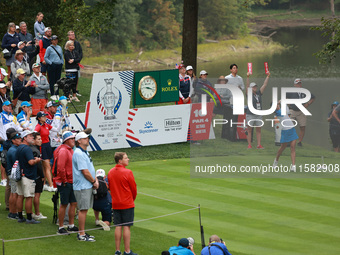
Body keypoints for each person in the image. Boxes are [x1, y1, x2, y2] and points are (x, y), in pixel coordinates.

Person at [107, 152, 137, 255]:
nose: (128, 159)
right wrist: (131, 199)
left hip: (116, 203)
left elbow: (109, 187)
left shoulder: (110, 172)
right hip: (127, 203)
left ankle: (117, 250)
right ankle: (127, 251)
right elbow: (134, 189)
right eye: (126, 158)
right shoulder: (128, 172)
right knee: (127, 226)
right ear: (120, 160)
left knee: (118, 226)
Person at [72, 131, 98, 242]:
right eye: (85, 138)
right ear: (79, 141)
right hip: (83, 186)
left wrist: (94, 179)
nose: (87, 139)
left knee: (85, 209)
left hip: (86, 184)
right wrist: (93, 181)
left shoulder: (84, 152)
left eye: (87, 138)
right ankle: (81, 234)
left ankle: (82, 232)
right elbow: (85, 172)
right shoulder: (78, 153)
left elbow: (89, 169)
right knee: (82, 210)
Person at [54, 131, 79, 235]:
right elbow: (61, 168)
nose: (74, 140)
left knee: (73, 203)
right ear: (66, 140)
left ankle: (71, 225)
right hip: (66, 182)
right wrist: (64, 180)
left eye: (74, 138)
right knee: (64, 204)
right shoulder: (64, 151)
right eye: (72, 138)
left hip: (71, 181)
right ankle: (61, 227)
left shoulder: (69, 150)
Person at [16, 130, 42, 224]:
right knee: (29, 197)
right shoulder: (27, 149)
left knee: (20, 195)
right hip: (28, 175)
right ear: (25, 138)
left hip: (20, 175)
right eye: (30, 136)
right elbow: (30, 162)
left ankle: (20, 216)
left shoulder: (19, 147)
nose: (32, 137)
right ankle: (29, 218)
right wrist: (37, 160)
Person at [286, 78, 315, 147]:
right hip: (292, 110)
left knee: (302, 127)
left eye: (300, 83)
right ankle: (289, 141)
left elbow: (313, 98)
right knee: (289, 126)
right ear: (294, 84)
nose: (299, 85)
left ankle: (299, 142)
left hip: (301, 111)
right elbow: (285, 98)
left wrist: (307, 104)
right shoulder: (290, 91)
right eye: (297, 83)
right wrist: (288, 104)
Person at [245, 71, 270, 149]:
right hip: (250, 114)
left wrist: (268, 76)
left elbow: (264, 85)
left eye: (255, 86)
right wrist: (248, 77)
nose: (255, 87)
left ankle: (258, 145)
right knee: (249, 130)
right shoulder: (249, 93)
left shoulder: (259, 93)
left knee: (258, 130)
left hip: (258, 114)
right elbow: (247, 85)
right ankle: (249, 145)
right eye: (253, 87)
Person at [34, 111, 58, 192]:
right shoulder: (38, 126)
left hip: (47, 145)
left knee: (45, 167)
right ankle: (51, 185)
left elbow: (56, 129)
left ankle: (44, 184)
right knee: (47, 166)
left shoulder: (46, 125)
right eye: (44, 116)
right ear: (39, 118)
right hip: (42, 147)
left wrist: (61, 121)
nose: (45, 117)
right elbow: (34, 134)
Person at [273, 101, 299, 172]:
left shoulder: (283, 109)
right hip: (285, 132)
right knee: (282, 148)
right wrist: (281, 102)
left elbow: (287, 109)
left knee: (292, 147)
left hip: (292, 130)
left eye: (277, 104)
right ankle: (276, 161)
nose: (277, 105)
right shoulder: (278, 113)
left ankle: (293, 166)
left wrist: (282, 102)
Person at [30, 132, 47, 220]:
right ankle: (37, 213)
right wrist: (42, 175)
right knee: (36, 195)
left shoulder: (30, 148)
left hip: (31, 175)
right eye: (38, 139)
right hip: (36, 176)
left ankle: (31, 212)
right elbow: (38, 165)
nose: (41, 141)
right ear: (33, 140)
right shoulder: (35, 150)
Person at [6, 129, 22, 220]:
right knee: (14, 193)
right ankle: (13, 212)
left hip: (11, 173)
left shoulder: (13, 149)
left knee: (13, 192)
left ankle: (12, 212)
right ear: (13, 140)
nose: (20, 140)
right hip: (13, 174)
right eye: (18, 139)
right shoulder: (14, 150)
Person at [66, 31, 83, 97]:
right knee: (70, 78)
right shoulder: (67, 44)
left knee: (76, 77)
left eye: (74, 34)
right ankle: (69, 91)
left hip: (76, 63)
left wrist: (77, 60)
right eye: (71, 35)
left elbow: (80, 53)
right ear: (69, 36)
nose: (73, 36)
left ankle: (75, 90)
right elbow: (67, 55)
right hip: (70, 66)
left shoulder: (77, 43)